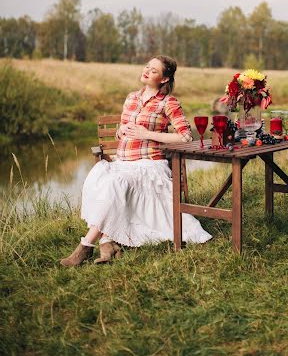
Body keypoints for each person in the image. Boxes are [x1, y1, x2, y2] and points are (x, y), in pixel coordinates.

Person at [60, 55, 212, 266]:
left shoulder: (169, 102)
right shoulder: (131, 98)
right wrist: (121, 131)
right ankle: (107, 242)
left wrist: (147, 134)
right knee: (102, 179)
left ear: (165, 79)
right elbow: (121, 133)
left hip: (149, 165)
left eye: (154, 70)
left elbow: (185, 136)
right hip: (122, 162)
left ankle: (85, 247)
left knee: (114, 184)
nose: (147, 71)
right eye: (147, 67)